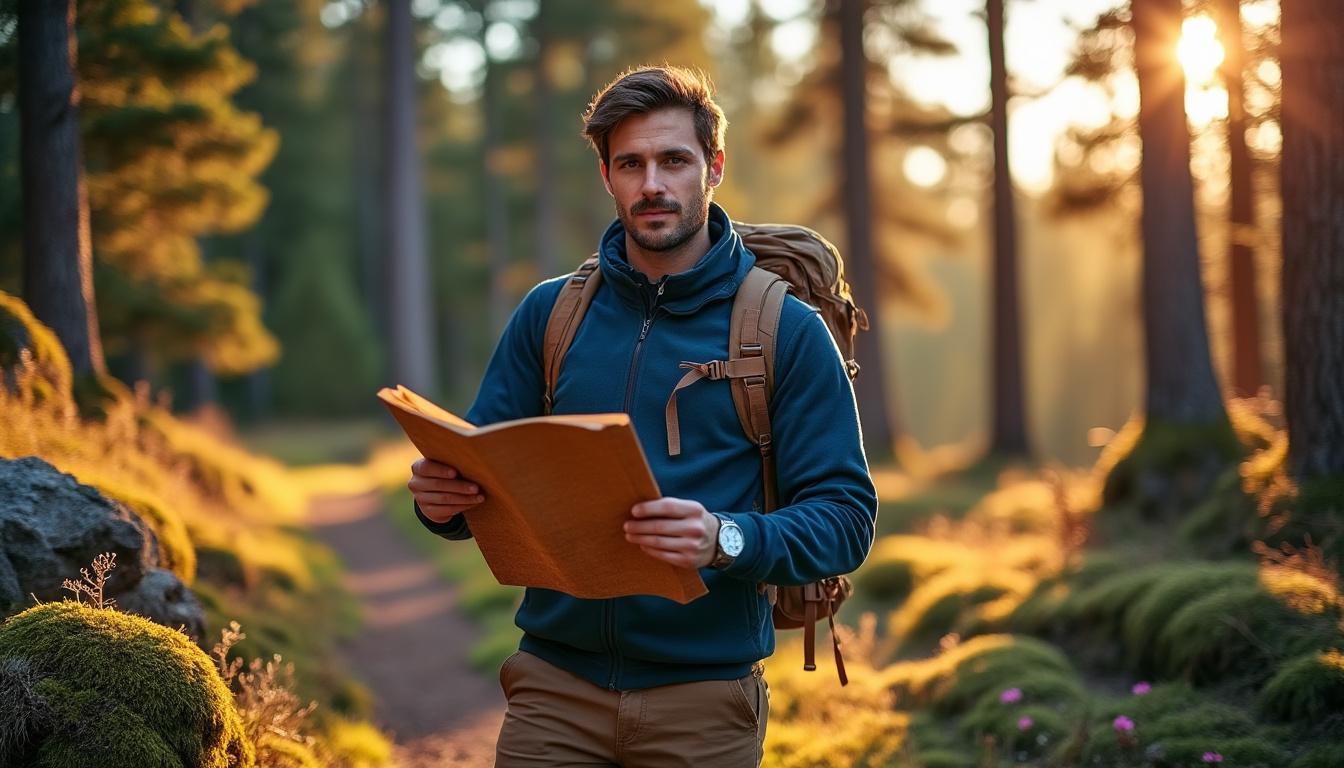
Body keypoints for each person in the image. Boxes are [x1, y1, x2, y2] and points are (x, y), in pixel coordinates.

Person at [407, 65, 878, 767]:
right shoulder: (551, 315)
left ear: (713, 167)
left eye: (674, 161)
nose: (652, 183)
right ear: (607, 176)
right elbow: (483, 467)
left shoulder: (786, 329)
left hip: (706, 705)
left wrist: (726, 537)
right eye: (631, 163)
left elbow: (846, 518)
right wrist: (441, 502)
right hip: (552, 692)